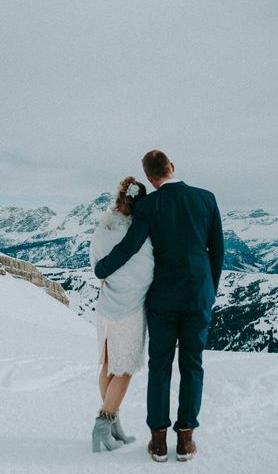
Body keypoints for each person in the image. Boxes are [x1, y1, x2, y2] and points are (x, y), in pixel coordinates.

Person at [94, 150, 224, 462]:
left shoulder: (150, 205)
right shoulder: (207, 198)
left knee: (160, 365)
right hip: (198, 296)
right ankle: (186, 439)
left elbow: (130, 246)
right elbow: (217, 250)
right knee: (192, 365)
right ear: (172, 167)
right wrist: (210, 290)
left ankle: (157, 440)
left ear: (151, 179)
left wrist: (102, 269)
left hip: (163, 300)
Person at [89, 176, 154, 453]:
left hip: (106, 308)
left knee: (107, 366)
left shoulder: (103, 228)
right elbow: (149, 272)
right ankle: (102, 426)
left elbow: (96, 265)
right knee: (124, 369)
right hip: (131, 310)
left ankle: (113, 426)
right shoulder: (143, 235)